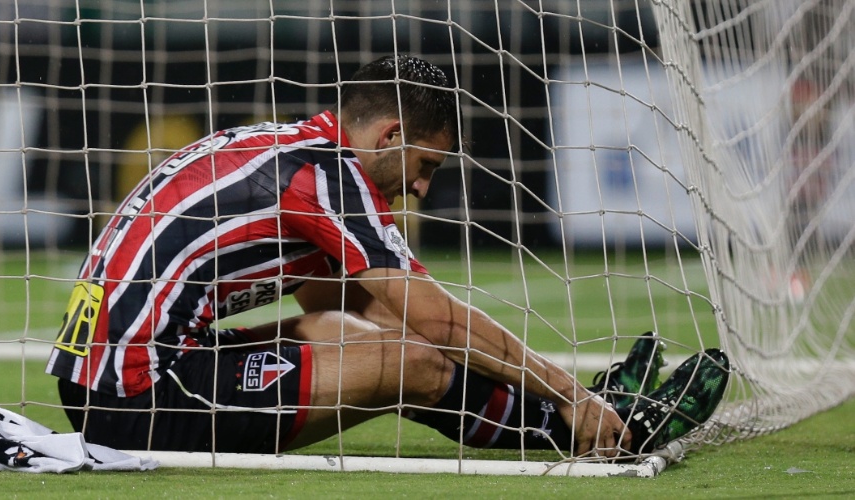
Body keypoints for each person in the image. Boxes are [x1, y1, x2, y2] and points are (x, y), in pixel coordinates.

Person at [46, 55, 728, 460]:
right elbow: (435, 327)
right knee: (412, 363)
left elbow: (350, 311)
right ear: (392, 134)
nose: (424, 188)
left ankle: (593, 414)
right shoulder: (329, 176)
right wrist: (567, 393)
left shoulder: (290, 151)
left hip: (103, 374)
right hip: (140, 395)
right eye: (427, 165)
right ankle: (595, 430)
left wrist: (534, 383)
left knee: (355, 333)